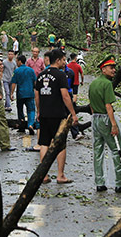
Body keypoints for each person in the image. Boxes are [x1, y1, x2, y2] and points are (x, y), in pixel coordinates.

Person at [35, 49, 78, 183]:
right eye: (64, 60)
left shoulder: (41, 75)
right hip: (57, 114)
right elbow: (65, 96)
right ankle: (60, 175)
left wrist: (39, 111)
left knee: (44, 143)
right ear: (58, 60)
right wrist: (73, 113)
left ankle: (44, 175)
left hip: (44, 114)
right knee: (60, 144)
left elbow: (36, 95)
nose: (65, 62)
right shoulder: (60, 76)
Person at [89, 57, 121, 193]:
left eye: (114, 67)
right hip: (106, 119)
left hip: (95, 119)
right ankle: (120, 183)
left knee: (98, 151)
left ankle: (99, 182)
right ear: (103, 69)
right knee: (117, 150)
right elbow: (108, 106)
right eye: (111, 67)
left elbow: (92, 107)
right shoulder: (107, 84)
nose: (114, 70)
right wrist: (113, 124)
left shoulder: (93, 84)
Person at [11, 54, 37, 138]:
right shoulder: (31, 70)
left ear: (19, 61)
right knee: (31, 110)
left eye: (16, 61)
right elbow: (35, 82)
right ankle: (30, 124)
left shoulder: (17, 71)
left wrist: (11, 93)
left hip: (20, 94)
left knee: (20, 109)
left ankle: (22, 125)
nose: (16, 62)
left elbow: (14, 83)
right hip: (30, 93)